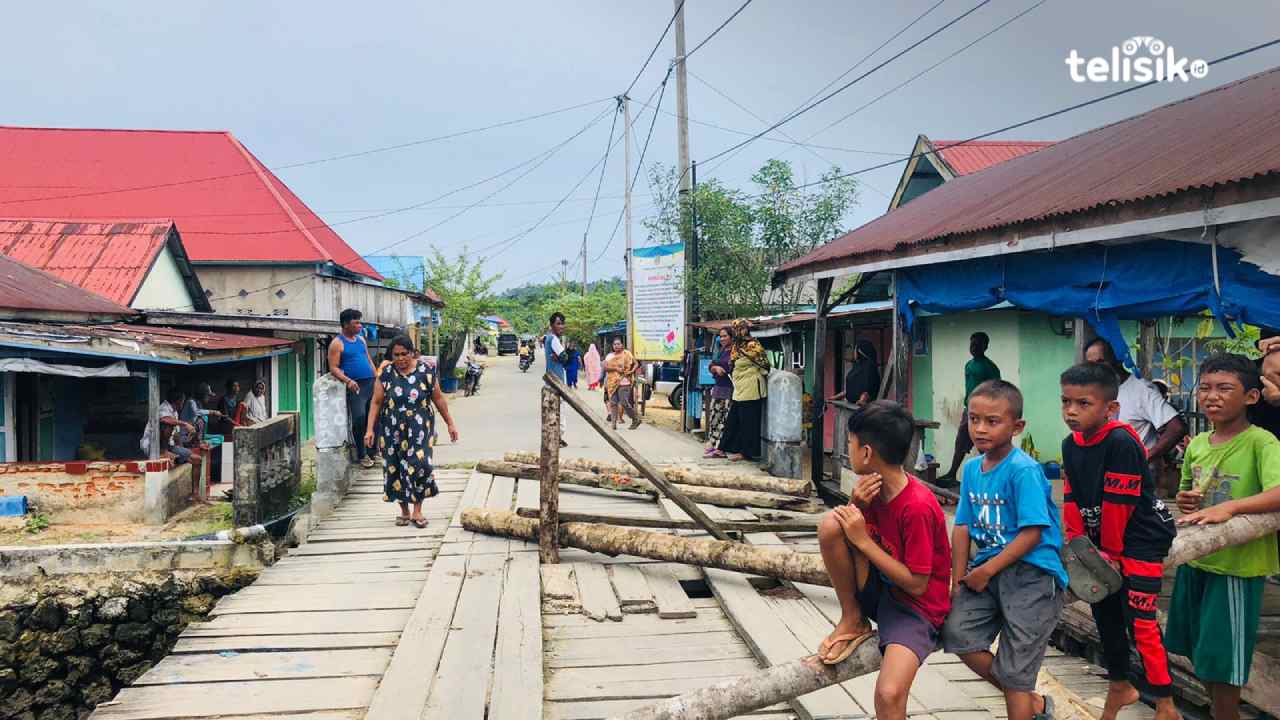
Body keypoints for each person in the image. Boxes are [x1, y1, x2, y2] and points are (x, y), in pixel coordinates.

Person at [816, 401, 952, 720]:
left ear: (866, 453)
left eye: (849, 443)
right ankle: (853, 618)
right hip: (882, 591)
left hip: (915, 608)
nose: (847, 449)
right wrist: (855, 505)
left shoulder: (916, 506)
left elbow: (918, 585)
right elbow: (846, 532)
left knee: (888, 695)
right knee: (831, 526)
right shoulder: (870, 488)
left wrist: (862, 539)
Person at [1059, 363, 1179, 720]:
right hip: (1101, 543)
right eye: (1065, 402)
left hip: (1140, 538)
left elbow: (1119, 506)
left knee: (1141, 622)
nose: (1071, 411)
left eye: (1083, 403)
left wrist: (1109, 553)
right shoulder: (1070, 443)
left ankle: (1166, 703)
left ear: (1110, 409)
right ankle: (1120, 687)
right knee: (1105, 615)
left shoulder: (1122, 442)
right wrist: (1078, 547)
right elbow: (1070, 497)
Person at [942, 380, 1066, 720]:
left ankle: (1025, 702)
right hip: (986, 571)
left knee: (1015, 671)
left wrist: (986, 570)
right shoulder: (971, 470)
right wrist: (958, 580)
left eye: (992, 421)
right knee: (957, 633)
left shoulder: (1023, 469)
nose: (980, 429)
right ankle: (1035, 704)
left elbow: (1033, 534)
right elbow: (963, 527)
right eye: (973, 419)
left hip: (1032, 575)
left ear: (1017, 426)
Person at [1167, 354, 1280, 720]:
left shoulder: (1261, 442)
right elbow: (1186, 497)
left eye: (1224, 389)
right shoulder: (1198, 443)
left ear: (1250, 397)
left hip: (1236, 568)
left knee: (1226, 660)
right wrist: (1185, 501)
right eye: (1205, 388)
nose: (1212, 396)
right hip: (1197, 559)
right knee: (1202, 651)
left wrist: (1230, 508)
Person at [364, 335, 459, 529]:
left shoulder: (426, 371)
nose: (400, 358)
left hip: (420, 427)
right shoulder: (386, 373)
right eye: (396, 355)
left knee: (420, 464)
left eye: (404, 354)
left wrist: (450, 423)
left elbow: (439, 399)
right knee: (395, 466)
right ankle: (404, 511)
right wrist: (369, 430)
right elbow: (375, 402)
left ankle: (418, 509)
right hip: (391, 428)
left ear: (412, 352)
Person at [1085, 338, 1187, 482]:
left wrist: (1145, 457)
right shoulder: (1099, 390)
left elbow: (1177, 428)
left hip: (1134, 480)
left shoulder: (1141, 390)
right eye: (1091, 365)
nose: (1096, 369)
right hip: (1106, 477)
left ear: (1118, 360)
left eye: (1101, 362)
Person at [937, 332, 1002, 487]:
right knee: (961, 441)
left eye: (977, 345)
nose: (973, 347)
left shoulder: (990, 367)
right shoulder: (969, 365)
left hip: (984, 411)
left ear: (985, 347)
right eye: (971, 344)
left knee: (983, 443)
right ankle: (952, 474)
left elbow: (998, 389)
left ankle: (992, 476)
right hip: (969, 410)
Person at [329, 308, 378, 469]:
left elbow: (368, 359)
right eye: (356, 322)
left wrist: (376, 375)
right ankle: (362, 454)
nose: (360, 325)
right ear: (345, 324)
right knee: (359, 419)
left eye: (359, 322)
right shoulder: (337, 343)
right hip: (355, 386)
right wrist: (348, 381)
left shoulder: (361, 340)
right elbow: (334, 368)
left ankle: (373, 452)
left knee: (374, 418)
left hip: (371, 383)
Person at [718, 319, 771, 462]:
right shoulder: (736, 345)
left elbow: (765, 365)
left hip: (751, 386)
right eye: (737, 329)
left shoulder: (753, 345)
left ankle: (747, 453)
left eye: (742, 328)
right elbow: (732, 362)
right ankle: (725, 448)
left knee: (749, 422)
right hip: (739, 386)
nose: (740, 331)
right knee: (734, 419)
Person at [140, 388, 197, 464]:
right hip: (151, 445)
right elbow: (165, 420)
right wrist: (186, 424)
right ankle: (163, 452)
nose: (183, 403)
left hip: (169, 446)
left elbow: (176, 436)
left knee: (195, 458)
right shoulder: (163, 408)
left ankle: (169, 453)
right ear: (178, 400)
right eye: (183, 400)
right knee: (169, 424)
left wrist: (183, 451)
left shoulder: (175, 413)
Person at [704, 327, 735, 458]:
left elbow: (733, 367)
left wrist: (724, 369)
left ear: (732, 337)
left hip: (730, 390)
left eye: (725, 336)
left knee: (725, 420)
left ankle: (720, 447)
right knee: (714, 418)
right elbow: (711, 365)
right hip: (718, 388)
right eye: (720, 336)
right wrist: (715, 368)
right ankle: (712, 443)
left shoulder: (735, 352)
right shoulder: (721, 350)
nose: (722, 339)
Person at [604, 337, 641, 430]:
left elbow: (636, 364)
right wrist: (616, 369)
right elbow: (605, 368)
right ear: (612, 346)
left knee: (624, 402)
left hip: (625, 381)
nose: (616, 346)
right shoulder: (609, 356)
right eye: (615, 344)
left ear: (622, 345)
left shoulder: (627, 354)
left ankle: (635, 419)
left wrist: (631, 371)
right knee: (613, 403)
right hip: (612, 382)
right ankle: (613, 424)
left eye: (618, 344)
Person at [830, 339, 881, 406]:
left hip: (866, 397)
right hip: (852, 397)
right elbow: (852, 387)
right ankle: (861, 399)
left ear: (860, 351)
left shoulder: (869, 367)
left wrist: (863, 397)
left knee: (865, 393)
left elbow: (869, 387)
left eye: (855, 349)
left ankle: (862, 400)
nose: (854, 352)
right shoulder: (857, 366)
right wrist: (836, 397)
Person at [545, 312, 569, 446]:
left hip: (551, 379)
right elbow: (565, 357)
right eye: (558, 323)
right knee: (559, 410)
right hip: (556, 380)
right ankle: (557, 437)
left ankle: (555, 437)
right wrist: (561, 356)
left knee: (553, 409)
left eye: (562, 323)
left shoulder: (549, 339)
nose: (561, 326)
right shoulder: (553, 339)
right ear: (552, 325)